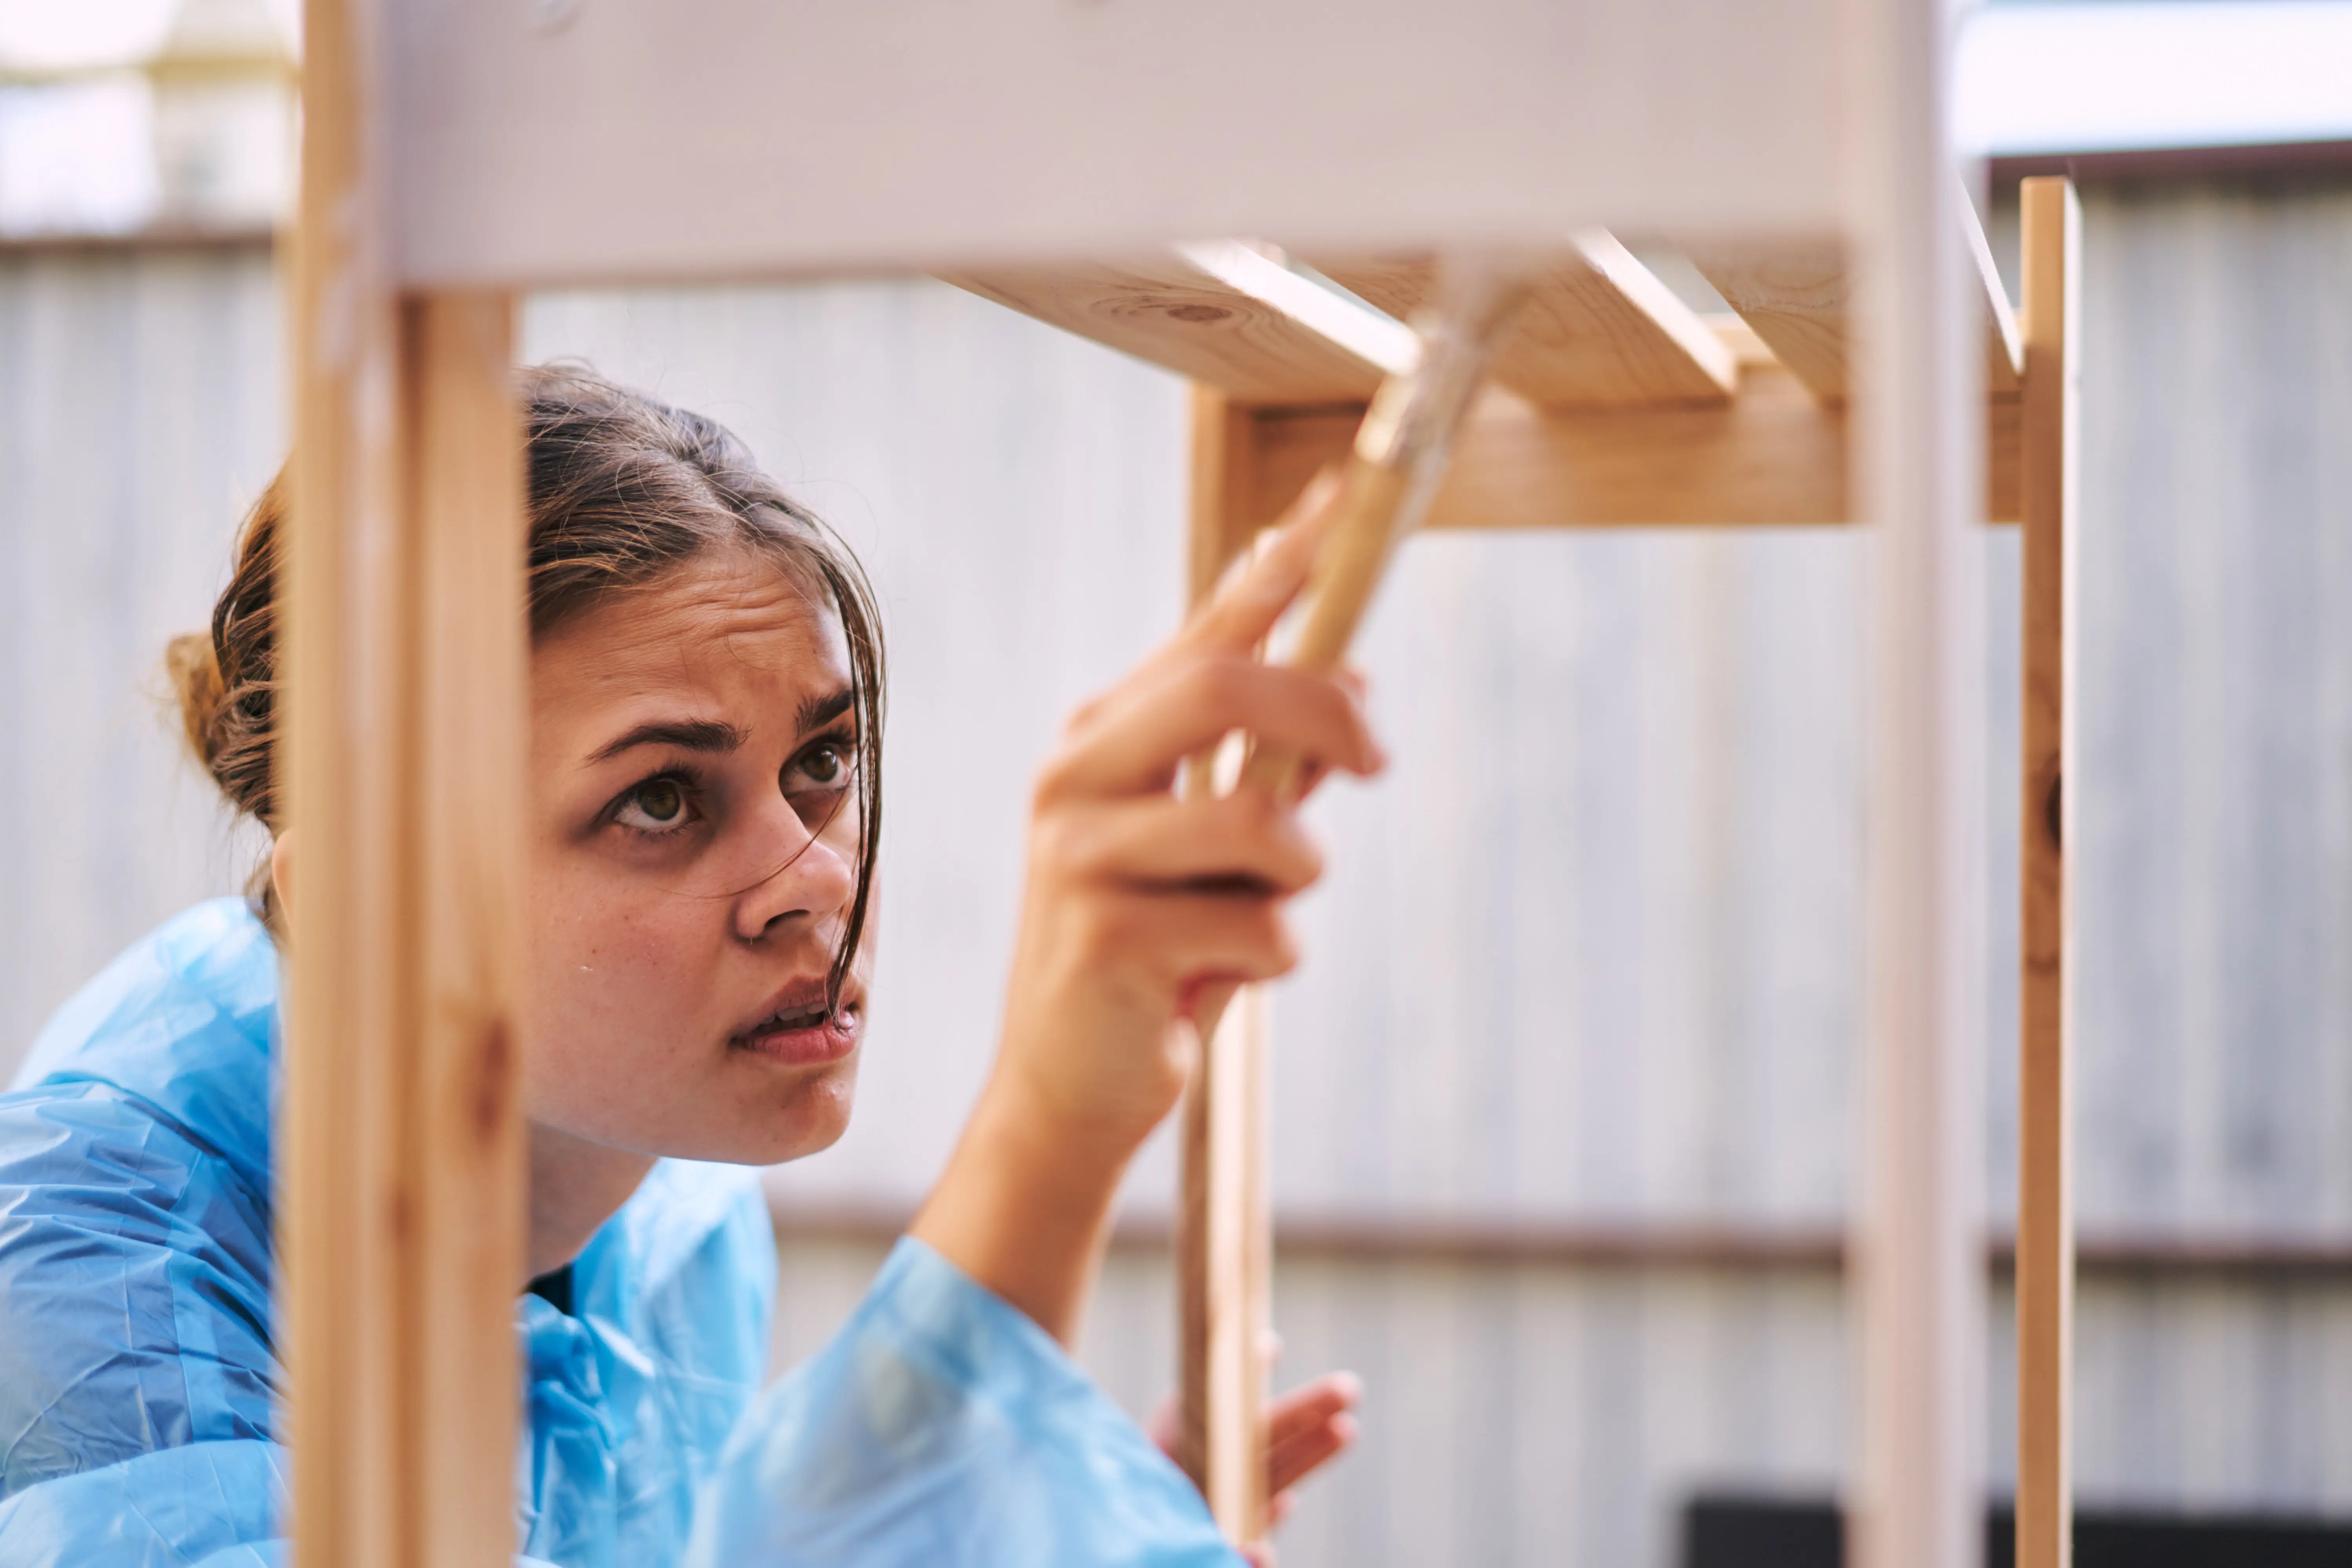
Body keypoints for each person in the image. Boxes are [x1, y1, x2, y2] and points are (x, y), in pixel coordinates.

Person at [0, 367, 1372, 1566]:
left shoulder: (663, 1182)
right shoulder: (102, 1310)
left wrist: (1022, 1491)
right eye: (660, 799)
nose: (816, 882)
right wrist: (1049, 1139)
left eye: (823, 763)